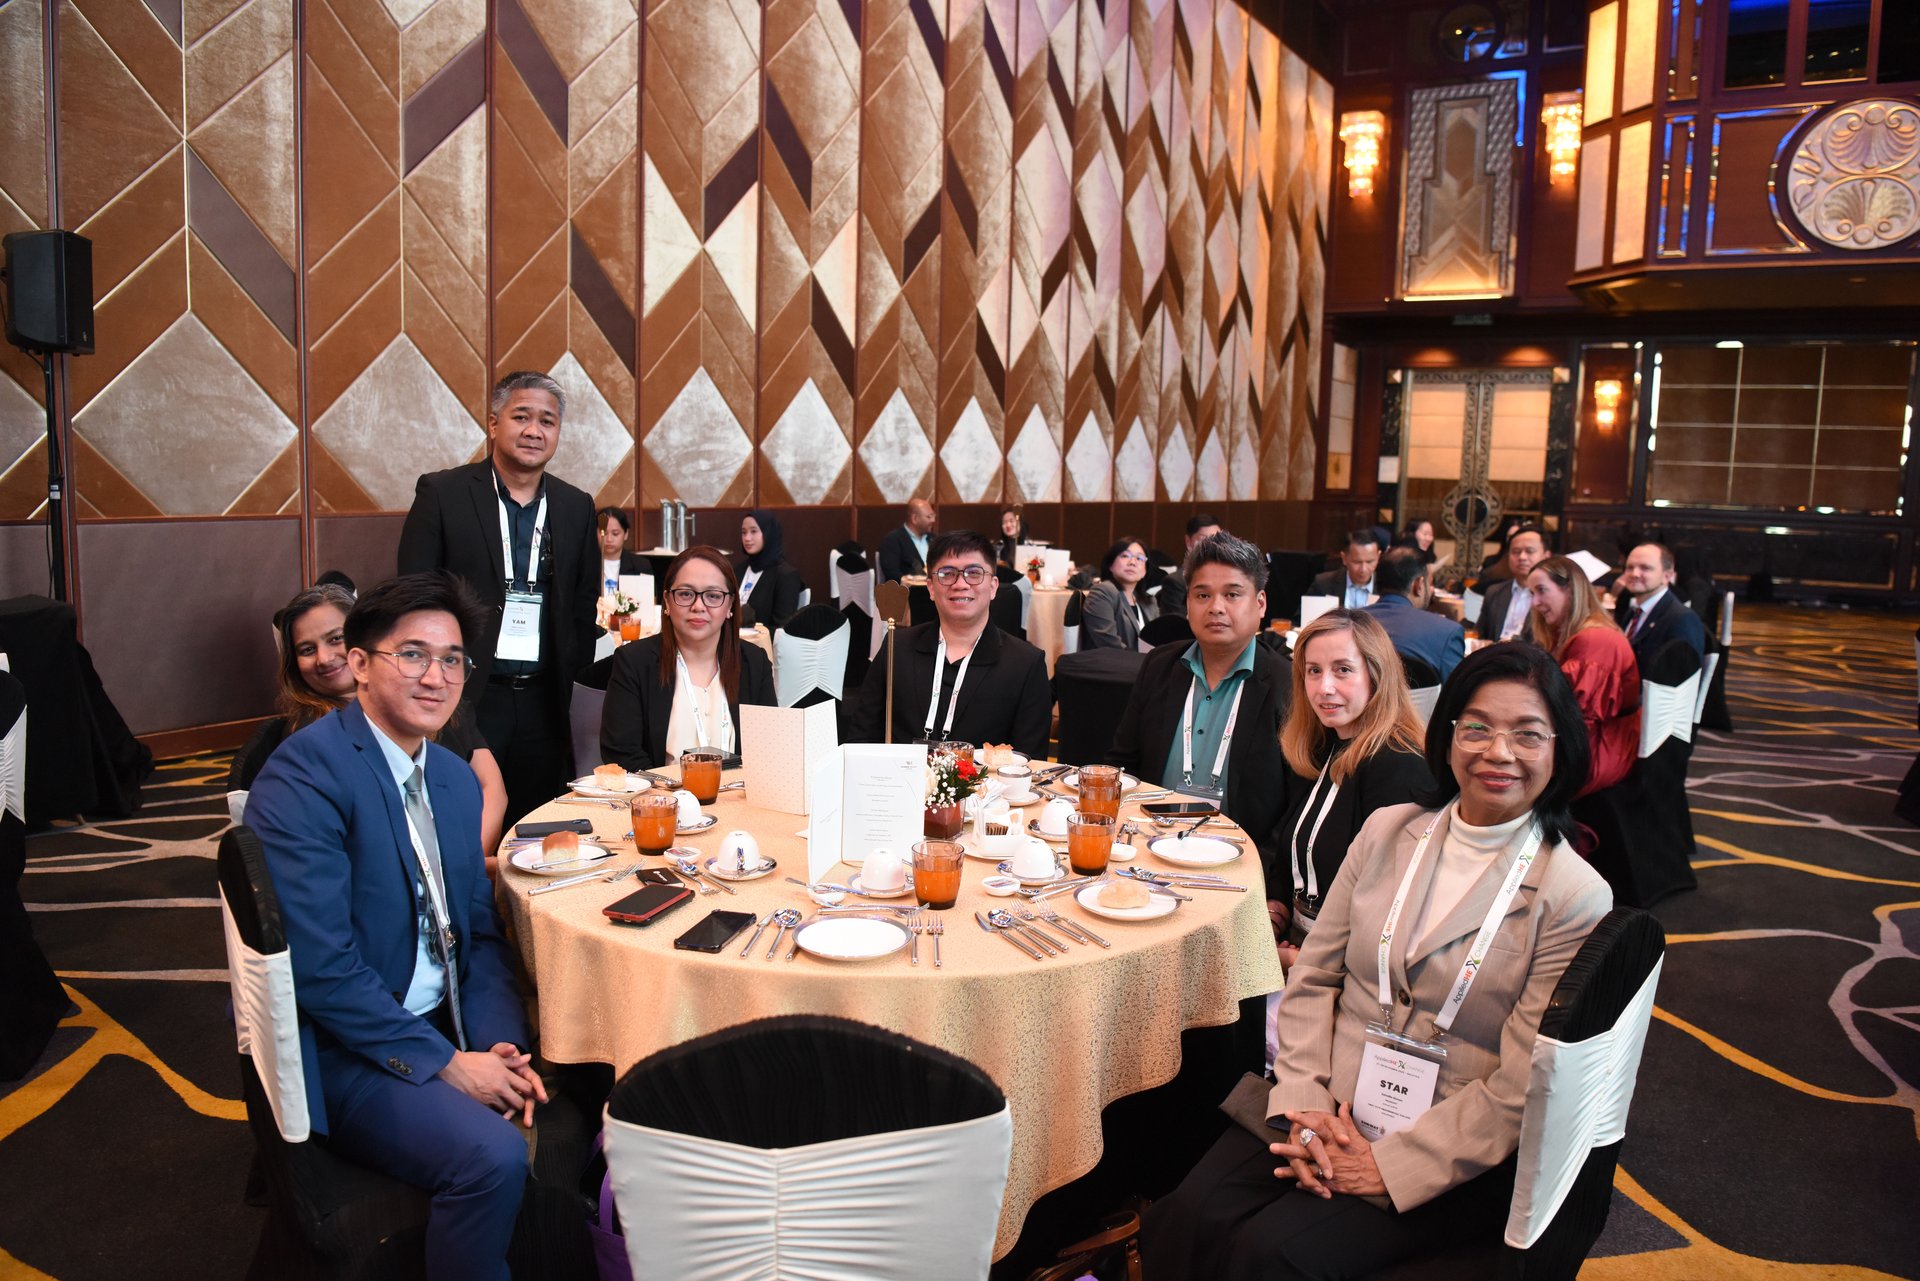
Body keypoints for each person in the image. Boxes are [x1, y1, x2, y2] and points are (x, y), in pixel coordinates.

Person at [1141, 643, 1613, 1279]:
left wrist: (1388, 1166)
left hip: (1444, 1142)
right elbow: (1315, 977)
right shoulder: (1389, 830)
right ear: (1448, 737)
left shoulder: (1573, 894)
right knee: (1185, 1215)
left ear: (1561, 750)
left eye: (1527, 734)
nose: (1498, 752)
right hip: (1329, 1099)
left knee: (1271, 1254)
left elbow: (1523, 1081)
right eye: (1476, 728)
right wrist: (1306, 1103)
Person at [246, 573, 545, 1281]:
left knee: (578, 1081)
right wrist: (447, 1063)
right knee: (493, 1155)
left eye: (452, 659)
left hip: (438, 1015)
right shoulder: (304, 777)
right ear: (359, 664)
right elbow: (321, 970)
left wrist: (496, 1042)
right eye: (412, 654)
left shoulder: (452, 779)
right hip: (346, 1045)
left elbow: (479, 933)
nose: (436, 677)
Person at [398, 370, 600, 828]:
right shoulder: (443, 493)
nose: (534, 431)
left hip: (544, 700)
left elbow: (582, 604)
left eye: (547, 421)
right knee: (461, 821)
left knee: (537, 825)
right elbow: (413, 597)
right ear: (493, 423)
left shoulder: (575, 506)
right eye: (521, 417)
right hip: (465, 694)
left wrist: (569, 679)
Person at [238, 584, 510, 857]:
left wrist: (466, 865)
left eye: (336, 639)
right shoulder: (310, 751)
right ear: (362, 661)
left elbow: (492, 789)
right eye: (307, 650)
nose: (325, 658)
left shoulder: (435, 707)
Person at [1108, 533, 1292, 865]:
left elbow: (1297, 804)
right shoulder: (1160, 665)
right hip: (1149, 849)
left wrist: (1262, 873)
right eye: (1203, 595)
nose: (1216, 607)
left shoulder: (1287, 684)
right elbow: (1124, 763)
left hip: (1240, 860)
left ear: (1260, 603)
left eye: (1232, 594)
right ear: (1188, 603)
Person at [1270, 610, 1430, 969]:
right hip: (1298, 944)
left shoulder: (1401, 765)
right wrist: (1275, 910)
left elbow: (1390, 907)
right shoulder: (1322, 746)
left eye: (1343, 669)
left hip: (1346, 969)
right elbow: (1290, 850)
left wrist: (1302, 962)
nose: (1324, 687)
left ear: (1377, 675)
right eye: (1314, 671)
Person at [849, 530, 1052, 756]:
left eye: (974, 573)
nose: (960, 584)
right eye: (947, 574)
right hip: (902, 778)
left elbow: (1029, 761)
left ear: (993, 586)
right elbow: (861, 737)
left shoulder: (1025, 664)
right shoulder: (897, 648)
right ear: (931, 588)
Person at [601, 548, 777, 770]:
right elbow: (622, 753)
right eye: (685, 594)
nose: (698, 606)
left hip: (739, 791)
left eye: (713, 596)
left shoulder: (754, 663)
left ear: (730, 605)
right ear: (667, 601)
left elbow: (770, 748)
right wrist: (673, 789)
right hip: (660, 791)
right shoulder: (634, 662)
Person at [1528, 556, 1640, 796]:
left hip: (1599, 750)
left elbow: (1578, 721)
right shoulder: (1571, 633)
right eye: (1531, 594)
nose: (1535, 603)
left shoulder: (1596, 640)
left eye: (1542, 591)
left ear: (1570, 590)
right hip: (1586, 739)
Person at [1365, 548, 1465, 681]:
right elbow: (1457, 690)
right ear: (1419, 585)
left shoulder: (1351, 623)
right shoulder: (1447, 633)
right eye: (1429, 582)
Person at [1613, 541, 1706, 670]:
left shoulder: (1681, 618)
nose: (1634, 573)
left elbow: (1682, 673)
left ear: (1667, 576)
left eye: (1645, 568)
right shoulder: (1633, 612)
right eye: (1629, 567)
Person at [1081, 537, 1159, 651]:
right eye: (1125, 556)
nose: (1132, 562)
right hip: (1113, 661)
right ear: (1111, 565)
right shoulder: (1102, 592)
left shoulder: (1149, 601)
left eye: (1139, 558)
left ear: (1145, 571)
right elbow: (1108, 644)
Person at [733, 510, 806, 631]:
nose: (747, 538)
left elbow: (781, 628)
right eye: (744, 532)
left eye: (753, 531)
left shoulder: (786, 575)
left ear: (768, 533)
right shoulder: (738, 570)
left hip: (760, 641)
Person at [1473, 524, 1546, 641]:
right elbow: (1479, 635)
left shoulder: (1548, 597)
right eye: (1516, 552)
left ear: (1546, 556)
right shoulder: (1494, 592)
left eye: (1529, 551)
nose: (1522, 557)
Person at [1156, 512, 1224, 619]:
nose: (1212, 544)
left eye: (1216, 539)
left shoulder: (1227, 577)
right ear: (1188, 542)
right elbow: (1174, 624)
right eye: (1204, 539)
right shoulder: (1175, 582)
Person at [1307, 529, 1382, 612]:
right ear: (1344, 558)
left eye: (1369, 562)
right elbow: (1304, 618)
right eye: (1357, 562)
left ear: (1378, 557)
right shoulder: (1323, 583)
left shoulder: (1386, 587)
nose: (1363, 569)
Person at [878, 498, 937, 581]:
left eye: (933, 516)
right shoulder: (893, 540)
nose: (933, 520)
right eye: (929, 517)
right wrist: (912, 580)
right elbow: (892, 573)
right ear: (915, 518)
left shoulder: (934, 539)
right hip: (908, 588)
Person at [596, 507, 651, 597]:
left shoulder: (641, 566)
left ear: (626, 534)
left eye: (615, 533)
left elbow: (648, 599)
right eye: (604, 533)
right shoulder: (586, 565)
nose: (609, 539)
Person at [994, 507, 1028, 572]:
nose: (1008, 525)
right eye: (1004, 522)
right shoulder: (997, 546)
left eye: (1011, 521)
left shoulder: (1029, 545)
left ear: (1020, 522)